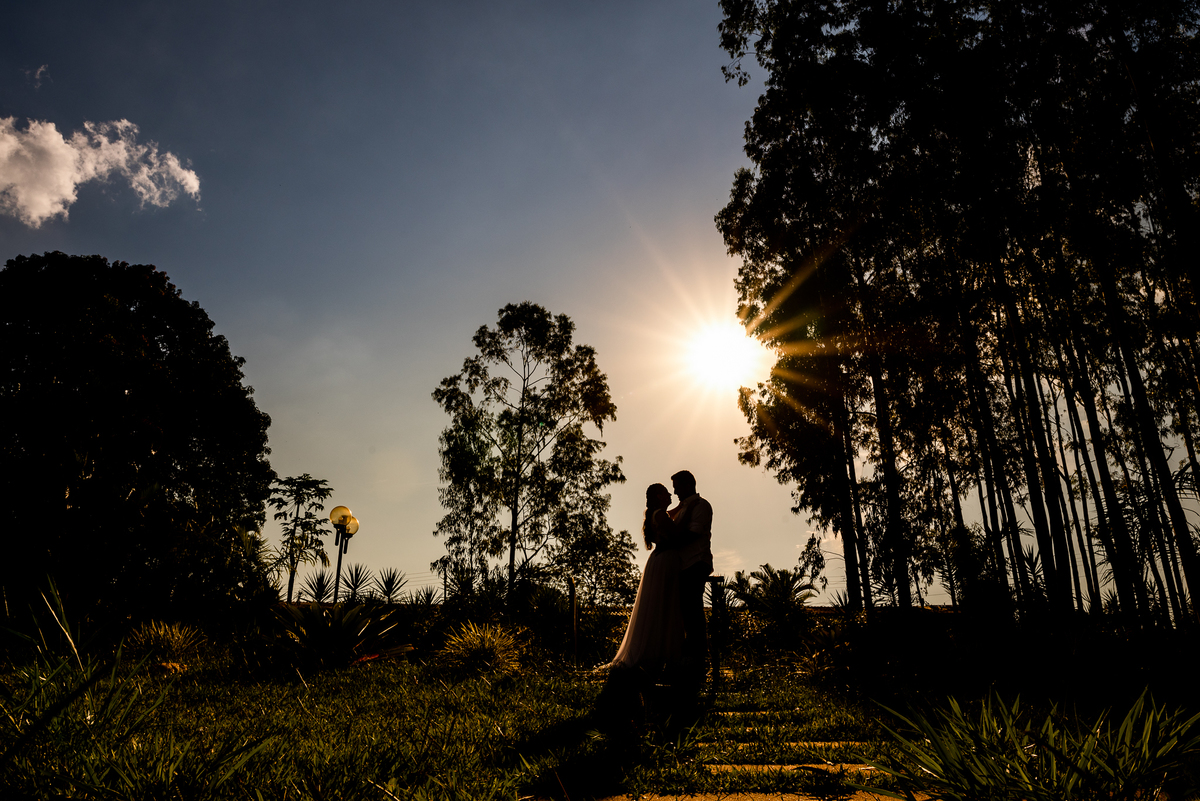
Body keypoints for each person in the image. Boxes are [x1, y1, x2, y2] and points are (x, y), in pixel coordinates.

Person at [607, 483, 684, 671]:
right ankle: (665, 653)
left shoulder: (655, 514)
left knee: (658, 605)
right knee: (666, 604)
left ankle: (659, 652)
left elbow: (669, 516)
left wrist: (682, 508)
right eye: (666, 493)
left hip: (658, 560)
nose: (670, 495)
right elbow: (678, 534)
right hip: (666, 560)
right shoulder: (660, 515)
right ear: (659, 496)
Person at [668, 469, 713, 682]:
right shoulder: (684, 507)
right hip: (684, 565)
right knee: (686, 612)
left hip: (696, 562)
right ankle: (687, 658)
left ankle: (698, 661)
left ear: (688, 485)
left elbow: (693, 533)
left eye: (677, 487)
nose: (675, 491)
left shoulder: (701, 506)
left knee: (694, 612)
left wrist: (670, 543)